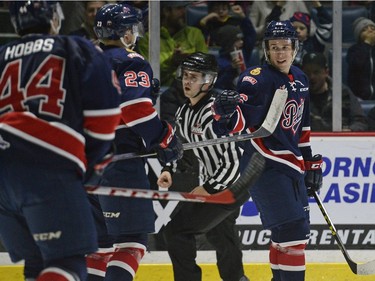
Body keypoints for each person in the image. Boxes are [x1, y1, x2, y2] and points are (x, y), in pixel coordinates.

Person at [0, 1, 122, 280]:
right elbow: (104, 118)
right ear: (55, 17)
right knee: (67, 262)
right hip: (48, 167)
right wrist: (89, 167)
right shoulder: (75, 48)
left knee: (38, 262)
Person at [211, 20, 323, 281]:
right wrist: (224, 112)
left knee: (289, 234)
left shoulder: (301, 78)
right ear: (266, 50)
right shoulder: (256, 79)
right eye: (274, 47)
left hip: (291, 164)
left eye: (285, 47)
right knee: (293, 230)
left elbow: (302, 128)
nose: (280, 53)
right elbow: (239, 123)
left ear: (295, 48)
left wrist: (308, 162)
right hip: (263, 164)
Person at [86, 3, 183, 281]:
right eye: (132, 29)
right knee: (132, 241)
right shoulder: (130, 60)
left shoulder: (84, 59)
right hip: (119, 166)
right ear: (125, 32)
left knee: (100, 246)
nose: (134, 34)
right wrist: (164, 137)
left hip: (84, 165)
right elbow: (136, 110)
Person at [157, 52, 249, 281]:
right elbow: (178, 145)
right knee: (221, 236)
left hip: (229, 187)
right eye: (185, 76)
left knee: (177, 232)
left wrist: (208, 189)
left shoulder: (217, 113)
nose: (187, 82)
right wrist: (168, 168)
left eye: (194, 77)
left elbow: (233, 161)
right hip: (218, 185)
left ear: (208, 80)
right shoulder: (184, 111)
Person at [137, 1, 208, 87]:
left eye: (184, 8)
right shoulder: (148, 39)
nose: (184, 12)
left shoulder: (195, 34)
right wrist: (172, 63)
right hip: (163, 92)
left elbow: (207, 67)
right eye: (179, 8)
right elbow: (149, 76)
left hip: (193, 89)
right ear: (166, 11)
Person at [301, 52, 368, 131]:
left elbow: (360, 121)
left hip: (340, 141)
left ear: (326, 72)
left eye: (316, 72)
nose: (311, 77)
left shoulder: (342, 92)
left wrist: (350, 131)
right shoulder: (297, 94)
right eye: (307, 73)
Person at [347, 17, 375, 100]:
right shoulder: (354, 50)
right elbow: (357, 64)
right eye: (364, 30)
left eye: (373, 28)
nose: (370, 30)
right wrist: (367, 44)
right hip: (360, 97)